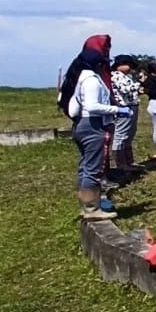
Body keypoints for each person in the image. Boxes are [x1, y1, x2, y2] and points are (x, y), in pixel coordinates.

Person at [59, 34, 123, 220]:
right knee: (94, 169)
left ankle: (87, 205)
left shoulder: (79, 77)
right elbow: (93, 106)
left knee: (86, 167)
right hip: (93, 125)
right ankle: (91, 209)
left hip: (82, 124)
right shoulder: (92, 80)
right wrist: (117, 109)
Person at [110, 55, 144, 174]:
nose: (130, 68)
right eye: (129, 65)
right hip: (123, 108)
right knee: (121, 134)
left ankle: (129, 160)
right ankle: (121, 163)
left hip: (132, 105)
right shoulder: (115, 76)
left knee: (130, 134)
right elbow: (124, 89)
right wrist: (139, 83)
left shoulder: (126, 76)